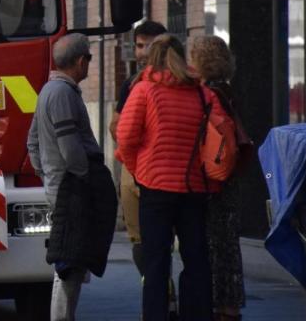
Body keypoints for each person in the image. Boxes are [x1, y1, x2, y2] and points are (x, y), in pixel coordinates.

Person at [117, 35, 230, 321]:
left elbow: (126, 138)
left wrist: (140, 171)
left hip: (155, 188)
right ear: (183, 57)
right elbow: (221, 139)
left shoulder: (143, 90)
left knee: (156, 262)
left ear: (151, 58)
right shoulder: (204, 94)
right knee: (196, 259)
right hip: (194, 188)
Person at [27, 33, 118, 321]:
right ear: (80, 61)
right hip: (72, 188)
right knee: (70, 262)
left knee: (71, 258)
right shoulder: (63, 94)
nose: (89, 64)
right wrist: (82, 176)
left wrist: (46, 173)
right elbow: (71, 148)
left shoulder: (47, 92)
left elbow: (32, 142)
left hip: (61, 184)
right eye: (89, 58)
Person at [190, 36, 253, 321]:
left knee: (214, 245)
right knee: (228, 244)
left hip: (212, 179)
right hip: (230, 178)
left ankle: (221, 308)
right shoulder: (228, 91)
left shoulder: (206, 95)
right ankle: (230, 307)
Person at [107, 20, 166, 276]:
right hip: (135, 171)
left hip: (164, 172)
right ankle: (159, 290)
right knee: (140, 240)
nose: (142, 52)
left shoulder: (184, 81)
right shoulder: (131, 84)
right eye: (139, 46)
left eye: (149, 46)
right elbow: (115, 127)